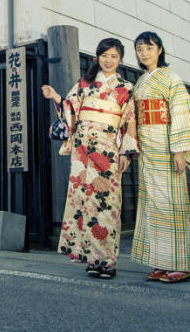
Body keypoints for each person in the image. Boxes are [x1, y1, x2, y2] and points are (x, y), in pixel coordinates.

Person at [41, 38, 138, 279]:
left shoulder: (126, 87)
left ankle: (108, 261)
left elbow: (129, 121)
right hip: (83, 149)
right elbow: (70, 108)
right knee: (83, 201)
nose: (108, 60)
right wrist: (56, 96)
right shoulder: (85, 84)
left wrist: (126, 152)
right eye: (104, 55)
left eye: (113, 56)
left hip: (107, 150)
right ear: (97, 58)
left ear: (119, 60)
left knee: (107, 203)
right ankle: (91, 258)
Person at [131, 30, 190, 283]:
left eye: (149, 48)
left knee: (172, 204)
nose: (144, 53)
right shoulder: (141, 82)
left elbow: (181, 112)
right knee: (153, 204)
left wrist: (180, 150)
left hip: (166, 142)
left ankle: (180, 265)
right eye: (140, 49)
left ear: (159, 50)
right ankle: (161, 261)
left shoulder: (171, 77)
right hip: (148, 147)